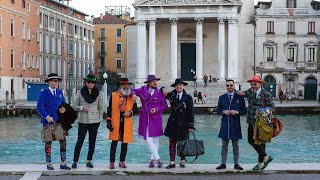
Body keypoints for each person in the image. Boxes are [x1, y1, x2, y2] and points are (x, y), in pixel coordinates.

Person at [238, 75, 274, 170]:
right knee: (251, 140)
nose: (253, 86)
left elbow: (272, 108)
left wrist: (262, 110)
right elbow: (241, 92)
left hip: (262, 123)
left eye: (255, 84)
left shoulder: (266, 94)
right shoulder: (250, 92)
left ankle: (260, 163)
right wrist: (238, 92)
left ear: (260, 84)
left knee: (261, 142)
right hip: (251, 121)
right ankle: (265, 158)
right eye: (251, 84)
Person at [131, 75, 168, 168]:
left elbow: (164, 106)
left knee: (155, 140)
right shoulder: (143, 90)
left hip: (156, 118)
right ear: (148, 83)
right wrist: (134, 94)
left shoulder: (160, 93)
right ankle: (159, 160)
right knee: (149, 139)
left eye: (156, 81)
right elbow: (132, 90)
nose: (155, 83)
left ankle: (152, 161)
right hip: (145, 117)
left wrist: (156, 109)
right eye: (153, 81)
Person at [36, 73, 70, 170]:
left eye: (58, 81)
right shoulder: (43, 93)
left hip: (59, 122)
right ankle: (49, 163)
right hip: (47, 122)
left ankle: (63, 163)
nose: (57, 83)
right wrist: (46, 117)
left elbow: (63, 105)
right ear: (49, 82)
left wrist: (63, 109)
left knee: (63, 141)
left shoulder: (60, 93)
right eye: (55, 81)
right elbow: (39, 107)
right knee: (48, 142)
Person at [161, 78, 195, 169]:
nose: (178, 86)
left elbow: (191, 112)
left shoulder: (188, 97)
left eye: (180, 85)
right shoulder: (171, 95)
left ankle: (182, 162)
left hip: (183, 122)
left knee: (182, 143)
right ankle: (172, 162)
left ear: (183, 86)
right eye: (177, 85)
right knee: (172, 143)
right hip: (173, 122)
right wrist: (163, 88)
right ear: (175, 86)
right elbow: (161, 90)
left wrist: (191, 125)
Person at [72, 74, 103, 169]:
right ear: (85, 82)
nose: (90, 84)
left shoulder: (98, 93)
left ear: (94, 84)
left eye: (92, 82)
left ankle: (89, 161)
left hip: (95, 121)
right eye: (89, 82)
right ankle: (75, 161)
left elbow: (101, 107)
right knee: (80, 141)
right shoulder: (80, 92)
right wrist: (81, 108)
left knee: (92, 142)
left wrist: (99, 118)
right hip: (83, 121)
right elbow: (74, 106)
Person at [216, 79, 247, 170]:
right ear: (225, 86)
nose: (229, 87)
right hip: (225, 124)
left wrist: (236, 112)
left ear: (234, 86)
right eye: (227, 85)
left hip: (235, 124)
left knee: (235, 146)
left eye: (231, 85)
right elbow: (218, 110)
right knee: (224, 146)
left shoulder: (239, 97)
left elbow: (244, 111)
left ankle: (236, 164)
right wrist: (223, 111)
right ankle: (223, 163)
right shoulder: (221, 97)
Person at [106, 78, 135, 169]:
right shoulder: (113, 95)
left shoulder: (131, 96)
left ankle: (122, 161)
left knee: (124, 143)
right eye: (124, 85)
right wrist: (109, 121)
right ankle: (112, 162)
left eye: (127, 85)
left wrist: (130, 113)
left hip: (126, 122)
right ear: (120, 86)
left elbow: (135, 110)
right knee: (114, 143)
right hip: (115, 122)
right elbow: (109, 109)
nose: (126, 86)